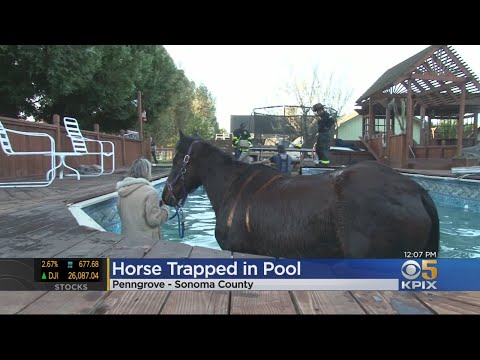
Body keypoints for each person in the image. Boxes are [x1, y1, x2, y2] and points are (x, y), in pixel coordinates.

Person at [116, 158, 170, 244]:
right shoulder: (151, 192)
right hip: (147, 244)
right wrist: (165, 209)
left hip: (126, 241)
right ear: (147, 171)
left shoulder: (122, 191)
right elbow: (154, 220)